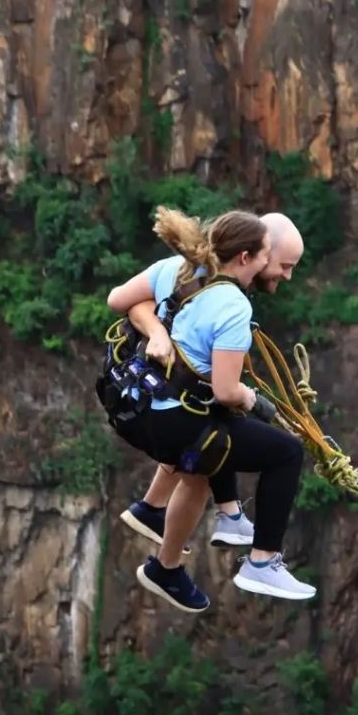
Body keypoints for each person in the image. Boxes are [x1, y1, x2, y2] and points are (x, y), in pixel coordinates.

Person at [106, 208, 314, 612]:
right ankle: (262, 560)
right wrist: (258, 402)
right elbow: (225, 390)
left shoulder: (177, 269)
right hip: (172, 422)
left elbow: (119, 300)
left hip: (136, 405)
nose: (283, 274)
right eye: (277, 262)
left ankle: (176, 526)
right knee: (285, 452)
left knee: (209, 450)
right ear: (247, 257)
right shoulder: (234, 306)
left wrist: (158, 331)